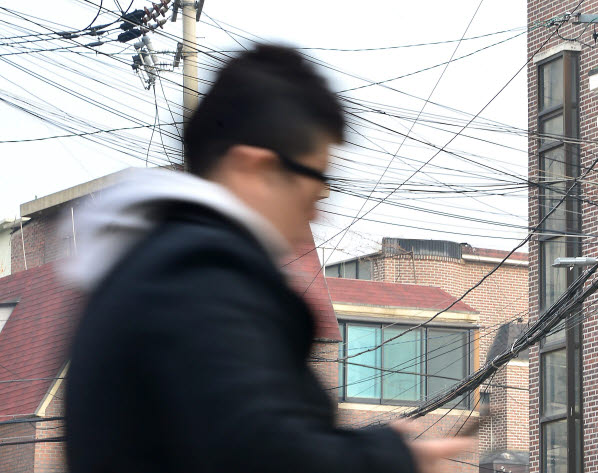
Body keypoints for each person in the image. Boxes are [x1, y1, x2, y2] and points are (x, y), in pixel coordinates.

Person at [63, 45, 471, 473]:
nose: (318, 211)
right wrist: (388, 461)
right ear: (252, 168)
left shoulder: (147, 267)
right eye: (315, 181)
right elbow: (263, 452)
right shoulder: (201, 277)